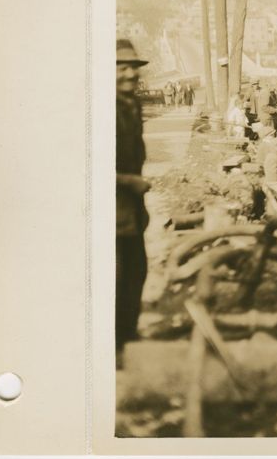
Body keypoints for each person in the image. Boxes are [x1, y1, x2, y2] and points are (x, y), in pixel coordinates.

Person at [116, 39, 151, 369]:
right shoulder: (99, 107)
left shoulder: (132, 105)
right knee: (114, 276)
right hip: (106, 212)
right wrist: (129, 182)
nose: (130, 75)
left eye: (133, 69)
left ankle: (127, 338)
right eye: (121, 68)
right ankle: (112, 348)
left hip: (131, 210)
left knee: (136, 270)